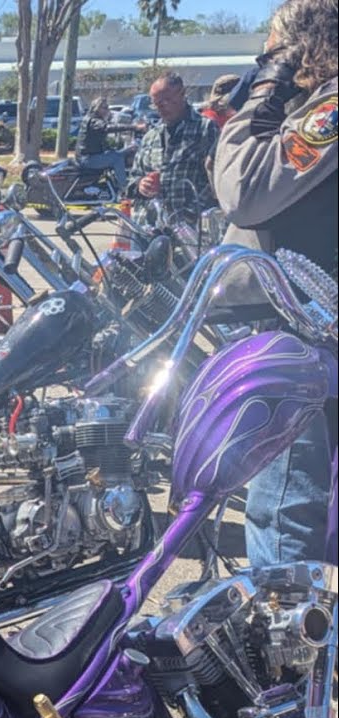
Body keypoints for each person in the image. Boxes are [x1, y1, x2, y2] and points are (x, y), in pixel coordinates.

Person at [213, 0, 338, 568]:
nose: (264, 57)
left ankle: (288, 651)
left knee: (284, 507)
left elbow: (246, 188)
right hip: (311, 325)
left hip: (304, 332)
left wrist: (266, 89)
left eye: (275, 45)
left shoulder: (331, 108)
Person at [126, 72, 219, 220]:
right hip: (148, 224)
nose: (162, 107)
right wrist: (140, 185)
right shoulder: (151, 136)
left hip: (189, 228)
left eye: (167, 100)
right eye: (157, 104)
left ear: (182, 94)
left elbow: (216, 177)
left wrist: (194, 210)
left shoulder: (205, 128)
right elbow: (133, 178)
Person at [76, 96, 143, 189]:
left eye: (107, 107)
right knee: (116, 158)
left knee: (118, 153)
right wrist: (133, 127)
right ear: (97, 108)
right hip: (88, 159)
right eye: (104, 108)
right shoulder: (94, 121)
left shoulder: (92, 119)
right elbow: (107, 128)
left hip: (90, 156)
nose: (107, 110)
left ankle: (116, 185)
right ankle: (125, 189)